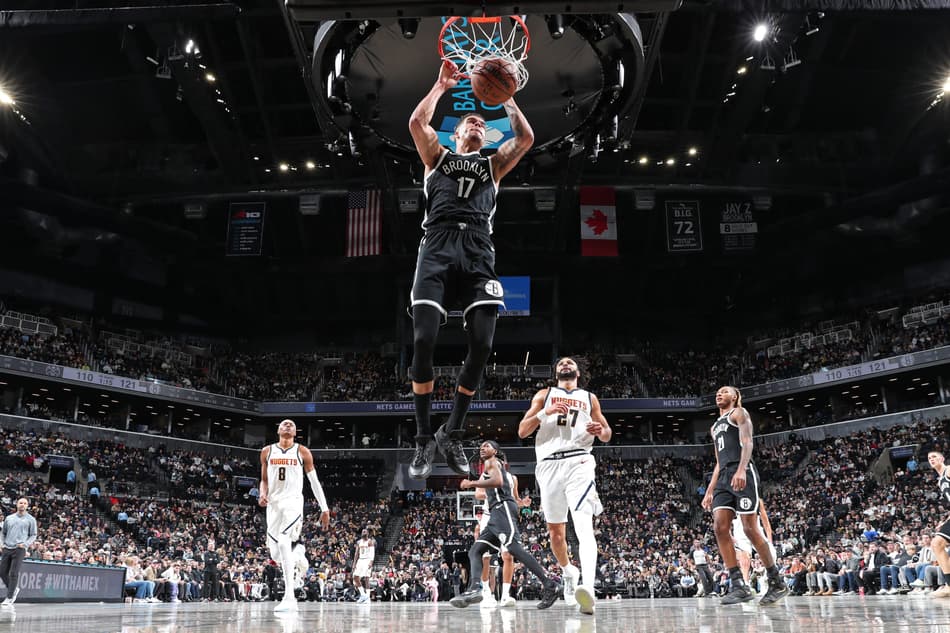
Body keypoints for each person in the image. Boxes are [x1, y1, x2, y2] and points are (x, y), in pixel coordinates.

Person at [406, 59, 534, 479]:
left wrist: (508, 98)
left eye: (481, 122)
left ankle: (452, 431)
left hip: (478, 249)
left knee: (482, 343)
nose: (477, 123)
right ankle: (423, 437)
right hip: (437, 244)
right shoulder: (437, 157)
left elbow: (526, 138)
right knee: (423, 339)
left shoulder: (493, 165)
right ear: (456, 134)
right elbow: (416, 123)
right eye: (470, 122)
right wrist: (440, 86)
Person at [517, 357, 612, 615]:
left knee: (583, 525)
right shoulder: (544, 395)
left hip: (579, 460)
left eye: (569, 363)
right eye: (561, 363)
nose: (565, 365)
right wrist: (544, 412)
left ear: (578, 372)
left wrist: (600, 430)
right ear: (556, 372)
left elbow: (606, 433)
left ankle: (588, 589)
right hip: (548, 464)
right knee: (556, 535)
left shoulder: (590, 398)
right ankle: (569, 571)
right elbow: (522, 431)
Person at [701, 386, 788, 605]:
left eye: (724, 391)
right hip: (723, 477)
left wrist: (741, 469)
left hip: (743, 471)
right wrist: (710, 489)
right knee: (719, 527)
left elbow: (747, 442)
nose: (719, 394)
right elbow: (718, 462)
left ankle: (776, 581)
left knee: (749, 528)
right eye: (717, 392)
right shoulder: (714, 427)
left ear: (735, 396)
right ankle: (738, 584)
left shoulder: (739, 413)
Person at [451, 441, 560, 609]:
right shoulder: (489, 467)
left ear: (495, 451)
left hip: (503, 509)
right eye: (481, 446)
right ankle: (474, 588)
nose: (482, 448)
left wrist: (471, 484)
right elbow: (492, 489)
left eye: (487, 446)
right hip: (495, 513)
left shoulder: (492, 462)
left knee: (514, 549)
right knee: (475, 550)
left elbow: (497, 482)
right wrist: (521, 503)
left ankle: (550, 585)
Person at [259, 418, 331, 612]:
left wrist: (324, 508)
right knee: (275, 553)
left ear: (296, 432)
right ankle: (299, 556)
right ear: (278, 430)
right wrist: (262, 493)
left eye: (292, 424)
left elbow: (314, 482)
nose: (288, 425)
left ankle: (289, 597)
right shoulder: (267, 451)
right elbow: (264, 480)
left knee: (284, 542)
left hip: (293, 502)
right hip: (273, 505)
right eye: (284, 424)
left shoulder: (302, 451)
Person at [471, 455, 531, 608]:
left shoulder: (512, 478)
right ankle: (486, 594)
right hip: (489, 515)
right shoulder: (486, 476)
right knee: (485, 556)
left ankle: (505, 595)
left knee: (508, 555)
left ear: (504, 463)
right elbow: (478, 494)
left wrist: (522, 503)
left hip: (506, 516)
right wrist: (495, 492)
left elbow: (515, 499)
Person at [732, 499, 777, 589]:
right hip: (740, 533)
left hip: (756, 530)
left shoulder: (757, 500)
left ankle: (769, 579)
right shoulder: (732, 499)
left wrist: (770, 541)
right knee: (745, 560)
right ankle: (745, 585)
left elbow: (766, 523)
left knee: (772, 553)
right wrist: (730, 535)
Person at [0, 498, 36, 606]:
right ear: (17, 504)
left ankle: (9, 597)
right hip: (7, 548)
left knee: (13, 573)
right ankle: (14, 589)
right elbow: (3, 533)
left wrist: (25, 544)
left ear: (27, 506)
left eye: (25, 503)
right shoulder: (9, 518)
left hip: (19, 549)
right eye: (21, 503)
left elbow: (33, 535)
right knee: (2, 572)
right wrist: (2, 543)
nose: (22, 505)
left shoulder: (31, 519)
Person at [926, 449, 950, 598]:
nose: (931, 459)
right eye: (929, 458)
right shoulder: (940, 479)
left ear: (942, 459)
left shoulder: (949, 470)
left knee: (937, 543)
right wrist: (946, 520)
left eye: (934, 456)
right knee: (937, 544)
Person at [352, 528, 375, 604]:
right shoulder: (359, 542)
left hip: (367, 560)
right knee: (355, 577)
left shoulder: (370, 542)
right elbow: (356, 554)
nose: (363, 533)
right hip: (360, 560)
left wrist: (371, 562)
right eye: (362, 532)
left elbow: (372, 553)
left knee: (366, 578)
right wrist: (354, 564)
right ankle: (363, 595)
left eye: (365, 531)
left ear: (368, 533)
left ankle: (368, 598)